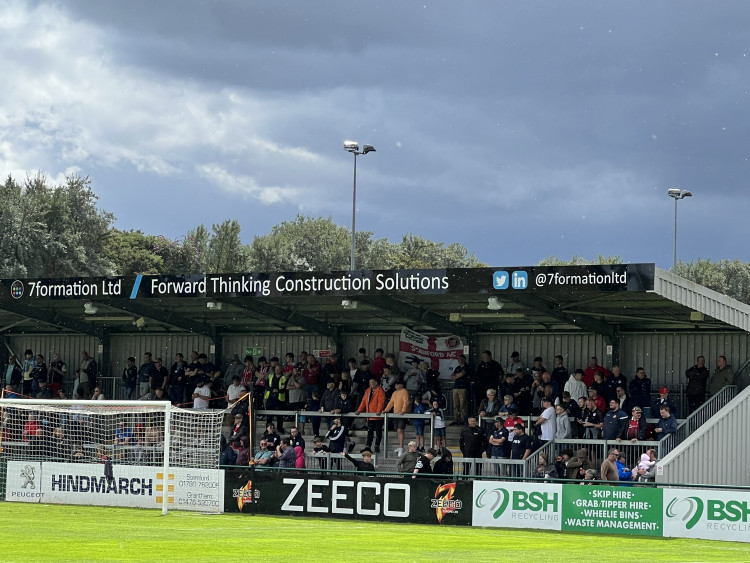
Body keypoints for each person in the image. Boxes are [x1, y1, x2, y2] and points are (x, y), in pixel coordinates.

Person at [355, 378, 386, 453]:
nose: (371, 384)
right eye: (370, 382)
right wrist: (359, 410)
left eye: (372, 382)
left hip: (377, 416)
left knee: (378, 432)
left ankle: (377, 446)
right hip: (370, 416)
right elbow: (363, 402)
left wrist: (378, 411)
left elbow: (381, 402)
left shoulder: (380, 391)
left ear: (376, 383)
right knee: (370, 432)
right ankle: (368, 446)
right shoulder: (368, 391)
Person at [381, 379, 411, 454]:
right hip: (396, 413)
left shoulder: (404, 392)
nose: (396, 386)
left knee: (400, 430)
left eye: (398, 384)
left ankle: (401, 446)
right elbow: (391, 402)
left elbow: (406, 402)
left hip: (402, 414)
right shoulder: (394, 393)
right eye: (396, 384)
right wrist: (386, 410)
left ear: (401, 385)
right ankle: (400, 447)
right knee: (397, 430)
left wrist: (403, 411)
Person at [450, 354, 470, 425]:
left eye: (460, 359)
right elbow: (452, 376)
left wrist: (456, 376)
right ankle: (456, 419)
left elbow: (462, 374)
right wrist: (456, 376)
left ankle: (463, 419)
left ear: (463, 359)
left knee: (463, 404)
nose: (459, 361)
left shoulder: (466, 367)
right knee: (456, 405)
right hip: (456, 387)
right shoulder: (457, 367)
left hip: (463, 387)